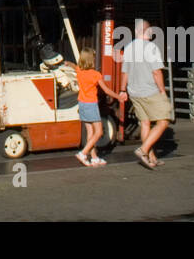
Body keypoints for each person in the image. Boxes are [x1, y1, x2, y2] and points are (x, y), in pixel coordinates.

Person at [118, 19, 172, 169]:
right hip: (150, 91)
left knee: (145, 123)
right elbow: (156, 72)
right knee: (163, 121)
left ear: (136, 32)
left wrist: (123, 90)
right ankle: (143, 150)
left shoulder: (128, 48)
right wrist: (162, 91)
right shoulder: (151, 48)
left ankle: (151, 157)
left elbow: (125, 72)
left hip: (134, 91)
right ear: (149, 32)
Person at [66, 42, 125, 167]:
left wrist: (67, 63)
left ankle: (94, 158)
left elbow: (73, 65)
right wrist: (119, 97)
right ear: (91, 60)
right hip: (91, 105)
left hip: (81, 104)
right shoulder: (96, 75)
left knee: (90, 133)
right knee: (98, 132)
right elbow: (107, 90)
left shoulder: (79, 71)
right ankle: (83, 153)